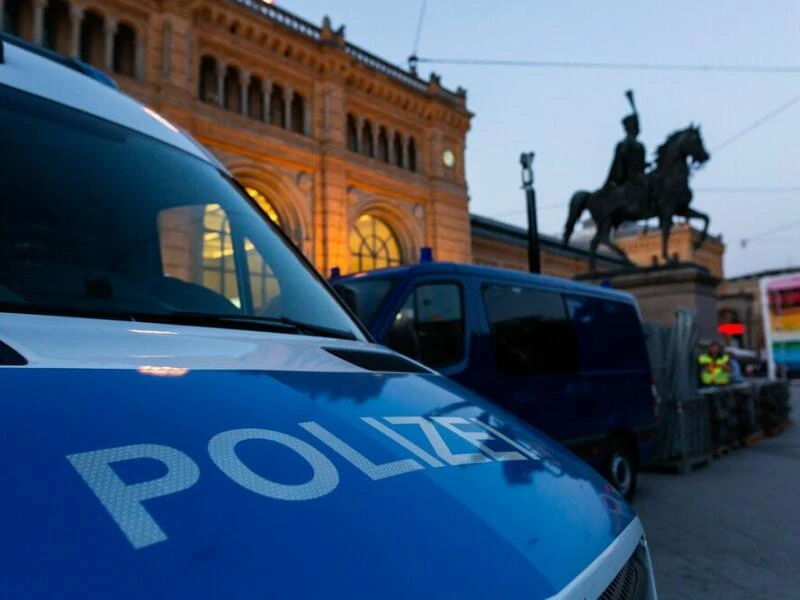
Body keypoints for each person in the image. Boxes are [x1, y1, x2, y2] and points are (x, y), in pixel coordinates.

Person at [603, 90, 650, 214]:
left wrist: (646, 165)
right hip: (630, 176)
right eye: (636, 125)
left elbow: (640, 163)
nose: (638, 127)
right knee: (648, 185)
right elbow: (621, 162)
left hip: (639, 174)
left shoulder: (639, 145)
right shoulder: (626, 143)